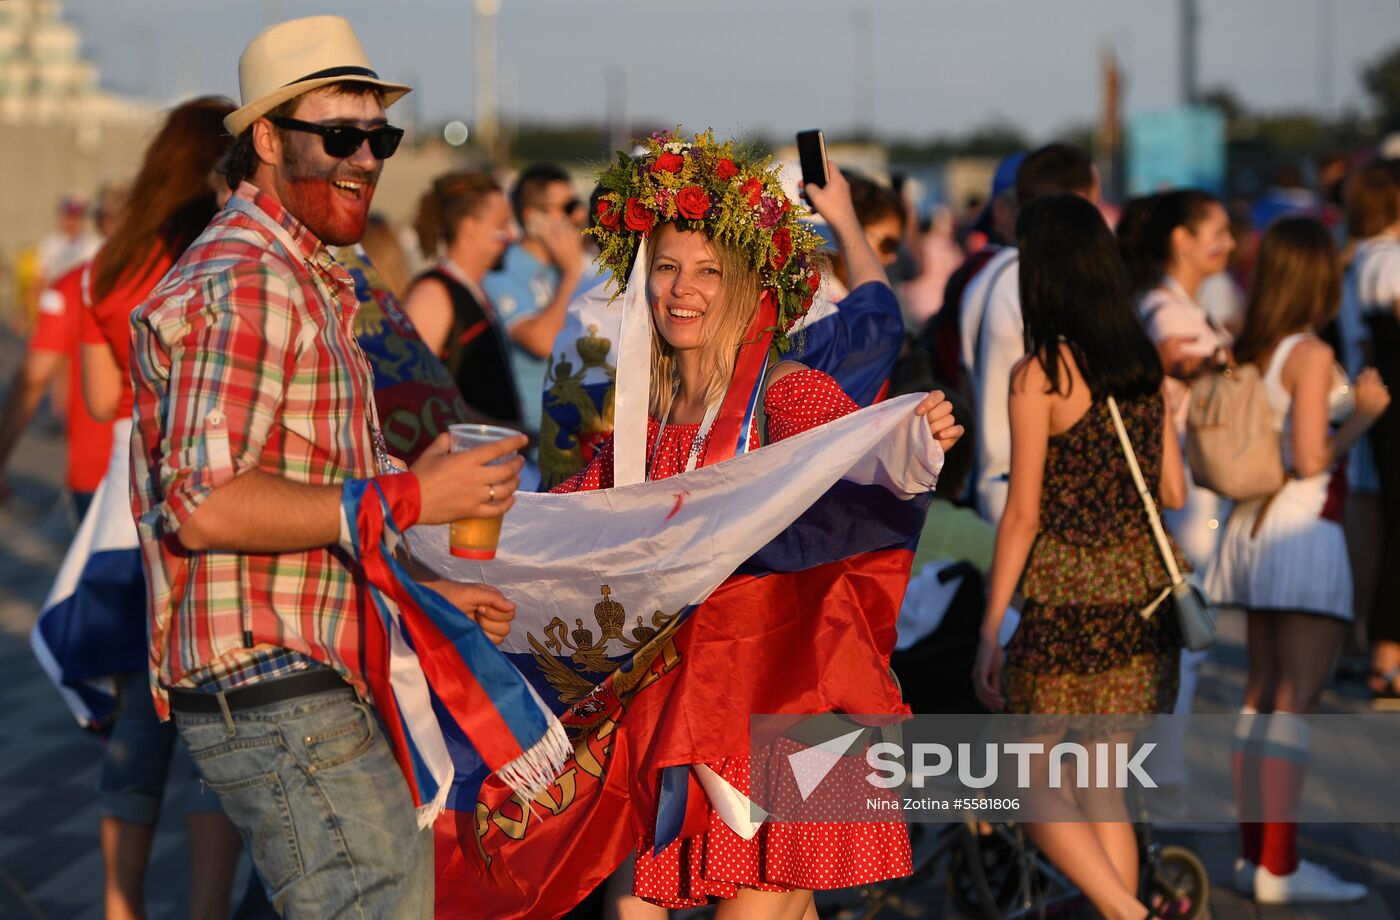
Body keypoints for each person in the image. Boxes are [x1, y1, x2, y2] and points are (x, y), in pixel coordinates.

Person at [126, 17, 526, 916]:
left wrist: (423, 594)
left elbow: (307, 494)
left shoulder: (298, 272)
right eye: (340, 137)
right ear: (268, 140)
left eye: (380, 138)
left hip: (297, 671)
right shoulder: (249, 277)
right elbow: (204, 503)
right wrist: (414, 493)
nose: (366, 160)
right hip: (274, 681)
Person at [551, 130, 962, 920]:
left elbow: (858, 463)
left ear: (748, 285)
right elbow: (571, 514)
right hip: (682, 713)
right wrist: (452, 512)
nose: (682, 289)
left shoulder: (789, 393)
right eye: (666, 267)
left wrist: (908, 439)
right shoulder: (641, 422)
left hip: (794, 711)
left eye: (708, 270)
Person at [973, 194, 1186, 920]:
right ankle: (1129, 909)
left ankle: (1128, 914)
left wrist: (990, 628)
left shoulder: (1042, 374)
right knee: (1101, 782)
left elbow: (1023, 513)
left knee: (1024, 774)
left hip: (1068, 593)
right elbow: (1171, 489)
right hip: (1143, 591)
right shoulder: (1142, 362)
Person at [69, 96, 247, 920]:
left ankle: (120, 905)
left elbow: (99, 395)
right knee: (217, 717)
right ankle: (206, 910)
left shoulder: (110, 260)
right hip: (208, 499)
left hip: (123, 504)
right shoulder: (218, 250)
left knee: (138, 723)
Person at [1206, 217, 1388, 904]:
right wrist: (1363, 414)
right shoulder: (1309, 353)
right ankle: (1278, 865)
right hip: (1304, 529)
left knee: (1260, 696)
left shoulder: (1253, 344)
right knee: (1295, 701)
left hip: (1254, 526)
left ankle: (1256, 857)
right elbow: (1311, 457)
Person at [1116, 190, 1237, 805]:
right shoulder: (1169, 312)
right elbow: (1174, 366)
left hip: (1188, 486)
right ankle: (1166, 771)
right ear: (1181, 240)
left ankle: (1162, 765)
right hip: (1187, 490)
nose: (1229, 244)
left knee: (1184, 629)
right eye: (1217, 231)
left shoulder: (1171, 304)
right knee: (1187, 630)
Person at [958, 144, 1100, 523]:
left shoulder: (990, 273)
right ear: (1075, 204)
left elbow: (967, 383)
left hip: (993, 482)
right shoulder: (1038, 280)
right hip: (1031, 492)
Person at [0, 186, 126, 513]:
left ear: (101, 220)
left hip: (99, 469)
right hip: (167, 472)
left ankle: (62, 415)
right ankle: (60, 413)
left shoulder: (79, 279)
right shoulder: (183, 272)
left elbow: (33, 376)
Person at [1341, 159, 1400, 707]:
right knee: (1382, 532)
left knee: (1368, 527)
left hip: (1365, 410)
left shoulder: (1358, 257)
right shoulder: (1390, 259)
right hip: (1382, 409)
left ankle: (1356, 642)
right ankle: (1379, 652)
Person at [403, 170, 524, 427]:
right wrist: (494, 429)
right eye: (502, 224)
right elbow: (414, 391)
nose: (512, 235)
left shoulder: (474, 290)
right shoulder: (433, 294)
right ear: (470, 228)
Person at [484, 162, 590, 433]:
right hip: (533, 433)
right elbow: (541, 341)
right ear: (533, 218)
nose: (578, 215)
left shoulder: (567, 266)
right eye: (567, 208)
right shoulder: (502, 269)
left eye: (577, 204)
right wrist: (572, 273)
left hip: (576, 428)